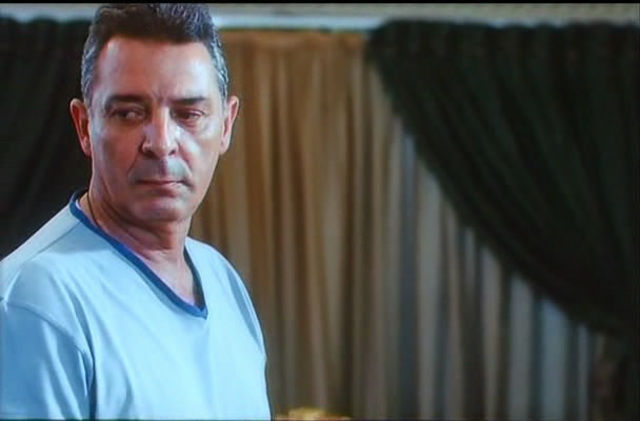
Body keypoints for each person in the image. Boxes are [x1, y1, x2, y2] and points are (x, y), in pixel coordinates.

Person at [0, 4, 270, 419]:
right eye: (129, 113)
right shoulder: (34, 301)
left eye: (188, 114)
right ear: (84, 126)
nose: (161, 143)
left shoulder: (223, 281)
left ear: (226, 125)